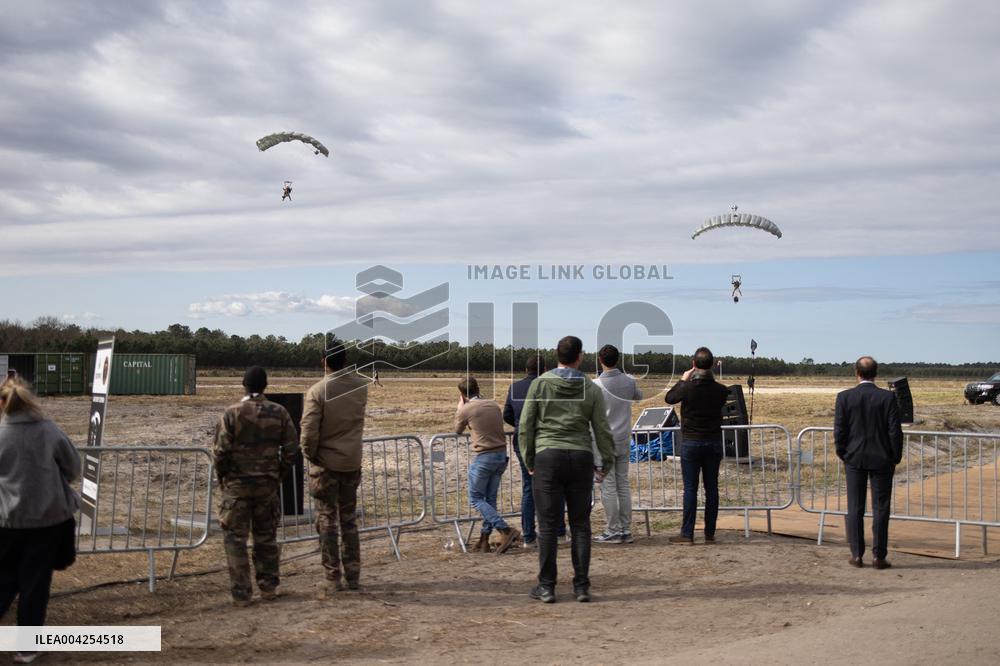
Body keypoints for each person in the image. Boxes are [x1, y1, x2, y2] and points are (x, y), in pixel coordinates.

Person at [519, 335, 616, 603]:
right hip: (580, 456)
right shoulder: (591, 388)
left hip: (548, 456)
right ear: (580, 357)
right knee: (581, 525)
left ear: (557, 356)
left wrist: (529, 459)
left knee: (548, 525)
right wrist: (606, 461)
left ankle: (547, 586)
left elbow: (526, 425)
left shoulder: (540, 384)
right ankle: (581, 586)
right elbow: (602, 428)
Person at [0, 378, 80, 665]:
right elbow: (73, 468)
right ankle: (26, 649)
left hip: (6, 522)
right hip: (47, 522)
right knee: (35, 585)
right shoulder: (49, 431)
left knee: (4, 581)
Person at [213, 367, 298, 606]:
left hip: (237, 488)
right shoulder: (279, 412)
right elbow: (292, 448)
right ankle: (268, 588)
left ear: (244, 385)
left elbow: (220, 452)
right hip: (266, 487)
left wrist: (224, 478)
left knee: (235, 540)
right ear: (265, 385)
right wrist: (278, 474)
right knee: (266, 538)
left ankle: (242, 594)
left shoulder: (232, 413)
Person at [300, 342, 369, 594]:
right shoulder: (360, 386)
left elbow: (309, 432)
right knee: (348, 520)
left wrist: (311, 455)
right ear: (345, 360)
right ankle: (353, 576)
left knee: (327, 520)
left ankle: (332, 576)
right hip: (351, 461)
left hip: (326, 465)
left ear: (324, 361)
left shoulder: (318, 391)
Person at [835, 356, 903, 570]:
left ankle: (856, 554)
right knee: (881, 508)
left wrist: (843, 453)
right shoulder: (888, 397)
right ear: (876, 373)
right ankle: (879, 556)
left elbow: (840, 430)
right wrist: (895, 456)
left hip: (854, 458)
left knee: (855, 507)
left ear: (856, 372)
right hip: (882, 458)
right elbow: (894, 431)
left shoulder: (844, 397)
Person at [665, 347, 730, 545]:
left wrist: (683, 380)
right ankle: (710, 533)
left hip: (691, 442)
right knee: (712, 489)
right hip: (713, 442)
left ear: (693, 364)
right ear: (712, 365)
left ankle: (687, 534)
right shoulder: (721, 391)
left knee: (690, 489)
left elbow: (669, 398)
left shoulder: (687, 388)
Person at [503, 356, 567, 547]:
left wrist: (519, 424)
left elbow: (507, 414)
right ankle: (558, 532)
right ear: (545, 369)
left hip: (523, 442)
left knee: (528, 488)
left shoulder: (515, 388)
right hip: (547, 442)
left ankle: (529, 536)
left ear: (526, 369)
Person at [455, 377, 520, 554]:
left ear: (462, 394)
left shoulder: (466, 409)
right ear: (478, 389)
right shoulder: (493, 404)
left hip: (485, 457)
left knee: (475, 498)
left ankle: (505, 530)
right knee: (489, 500)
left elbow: (457, 430)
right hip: (501, 454)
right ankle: (484, 540)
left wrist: (460, 408)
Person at [592, 345, 643, 544]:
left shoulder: (595, 385)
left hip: (603, 442)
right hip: (623, 439)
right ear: (618, 359)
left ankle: (613, 529)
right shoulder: (629, 381)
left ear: (600, 360)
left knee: (608, 486)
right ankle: (625, 528)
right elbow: (638, 396)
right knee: (623, 484)